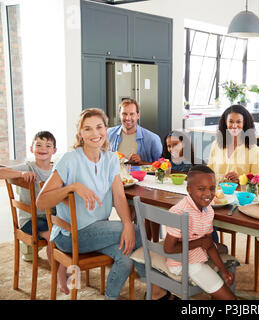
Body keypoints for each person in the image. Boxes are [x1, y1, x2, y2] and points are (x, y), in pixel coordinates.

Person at [36, 108, 174, 300]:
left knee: (125, 258)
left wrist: (126, 223)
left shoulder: (110, 159)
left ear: (106, 129)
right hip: (71, 235)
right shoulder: (69, 159)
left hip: (98, 231)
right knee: (137, 232)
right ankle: (157, 287)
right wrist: (73, 187)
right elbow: (41, 202)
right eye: (88, 129)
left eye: (99, 127)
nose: (95, 133)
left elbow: (119, 196)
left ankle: (111, 297)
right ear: (80, 133)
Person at [0, 131, 69, 292]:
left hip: (51, 217)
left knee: (69, 231)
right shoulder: (29, 166)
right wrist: (21, 174)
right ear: (32, 149)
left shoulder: (57, 169)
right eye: (38, 145)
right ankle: (60, 277)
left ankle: (69, 269)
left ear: (54, 150)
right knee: (53, 237)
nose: (43, 148)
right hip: (30, 221)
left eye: (48, 145)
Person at [164, 165, 236, 300]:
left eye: (212, 188)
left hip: (197, 257)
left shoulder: (208, 210)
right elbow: (168, 248)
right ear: (189, 190)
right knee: (230, 299)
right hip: (182, 263)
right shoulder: (180, 212)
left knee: (222, 254)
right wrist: (199, 243)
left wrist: (223, 270)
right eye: (201, 189)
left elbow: (208, 244)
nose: (208, 194)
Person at [207, 104, 259, 183]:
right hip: (218, 192)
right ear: (225, 123)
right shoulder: (216, 145)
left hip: (241, 193)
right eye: (231, 121)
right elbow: (209, 172)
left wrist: (240, 178)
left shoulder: (254, 150)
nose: (234, 125)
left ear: (244, 124)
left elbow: (258, 179)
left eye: (238, 122)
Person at [107, 99, 162, 165]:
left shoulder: (153, 139)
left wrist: (141, 162)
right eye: (124, 114)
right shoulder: (108, 134)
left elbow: (161, 166)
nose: (128, 118)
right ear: (119, 114)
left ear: (138, 115)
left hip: (141, 175)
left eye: (132, 114)